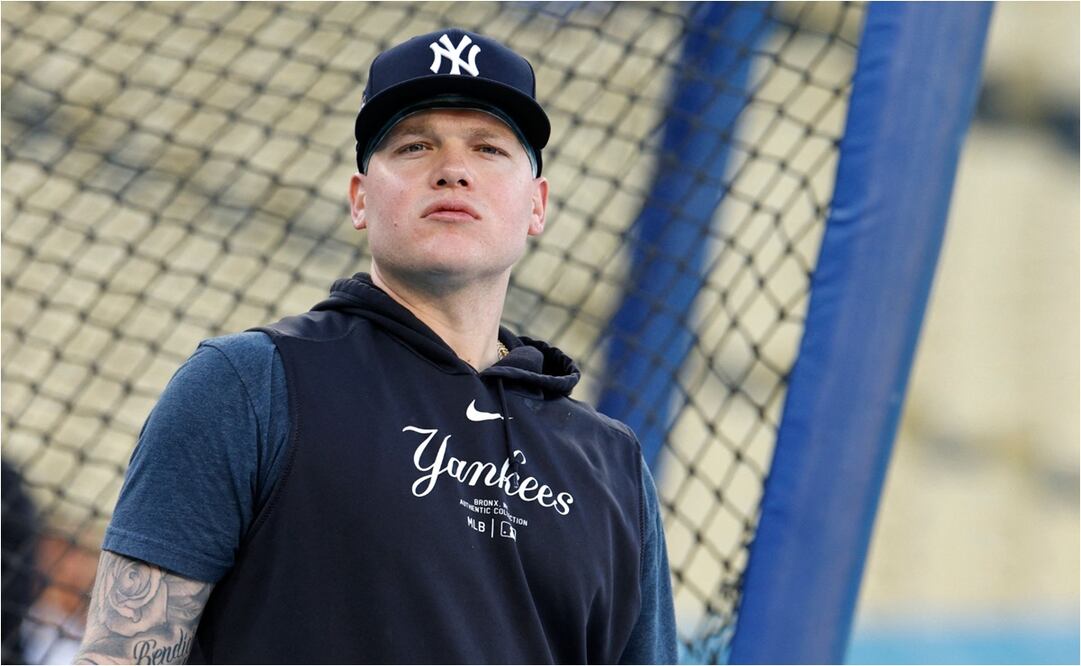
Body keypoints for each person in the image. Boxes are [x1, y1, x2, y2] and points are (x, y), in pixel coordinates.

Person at [74, 28, 677, 664]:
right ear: (361, 199)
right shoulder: (248, 385)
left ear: (537, 205)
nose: (452, 169)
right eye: (415, 145)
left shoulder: (613, 467)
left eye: (490, 148)